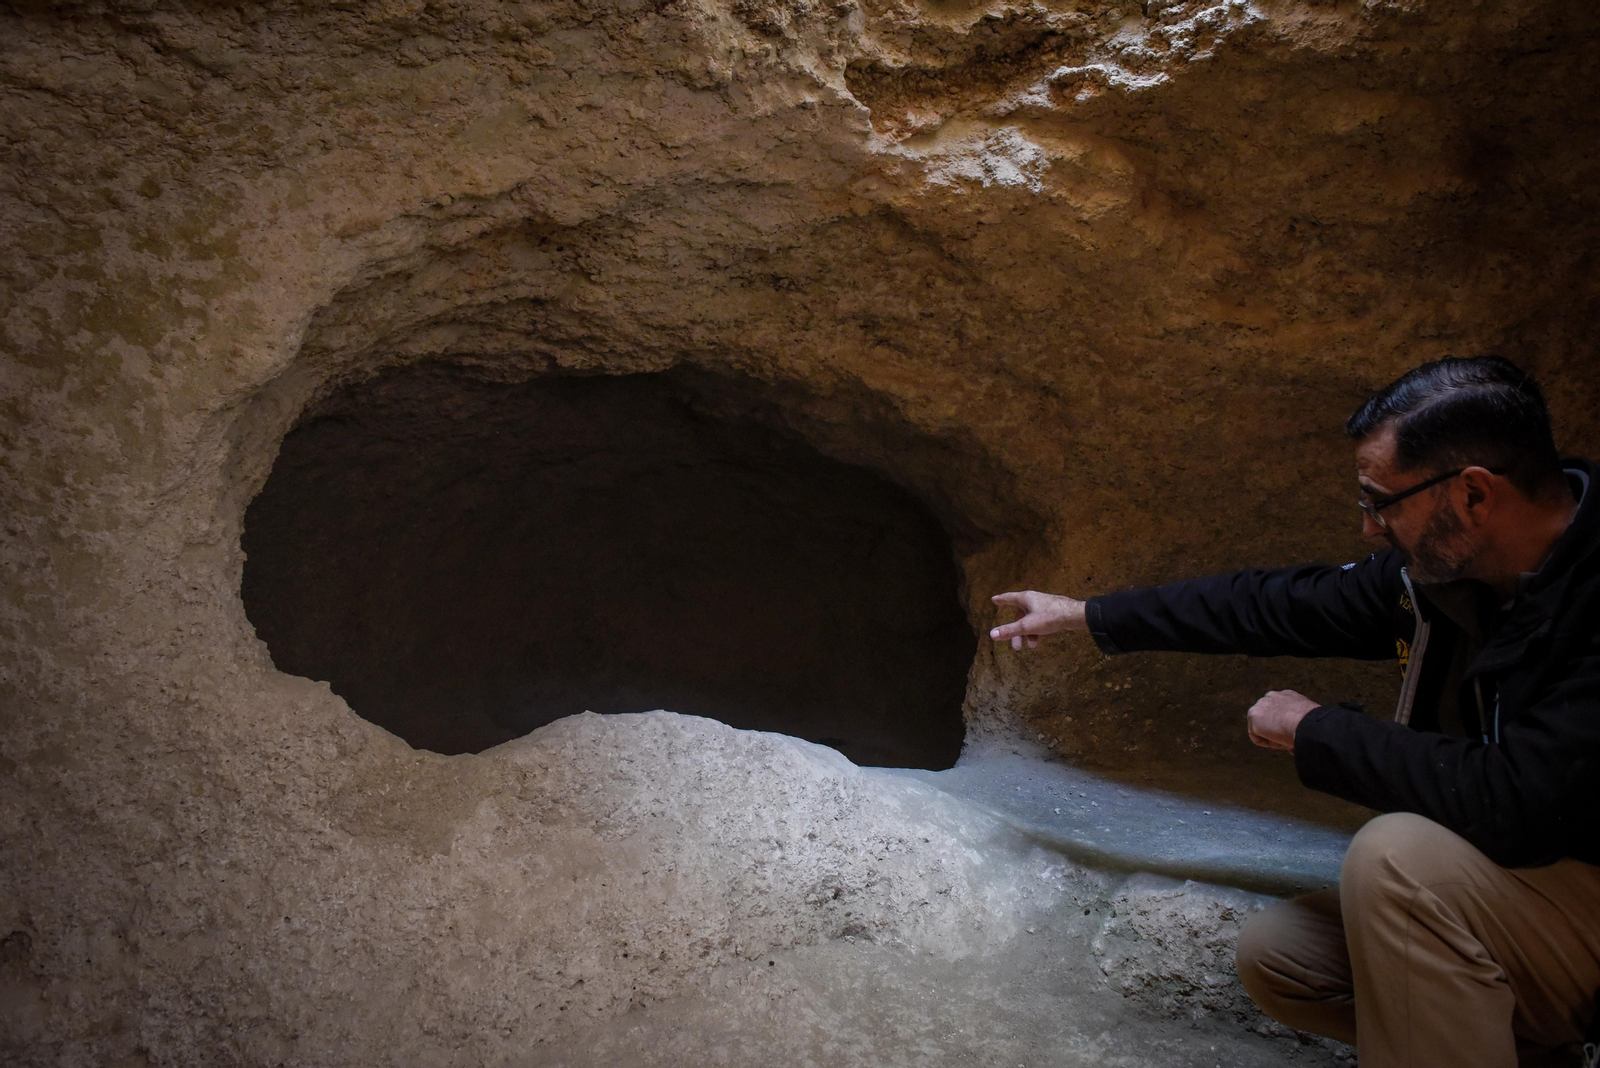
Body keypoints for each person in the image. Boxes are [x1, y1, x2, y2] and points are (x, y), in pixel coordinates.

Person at [988, 356, 1600, 1067]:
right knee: (1283, 959)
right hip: (1533, 890)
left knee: (1395, 859)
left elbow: (1519, 801)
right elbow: (1281, 604)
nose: (1371, 528)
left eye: (1382, 501)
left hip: (1573, 877)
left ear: (1472, 496)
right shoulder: (1454, 578)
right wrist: (1090, 616)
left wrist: (1319, 732)